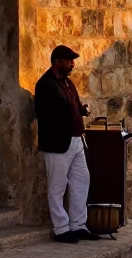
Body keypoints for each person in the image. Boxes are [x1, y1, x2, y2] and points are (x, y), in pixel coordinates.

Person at [35, 45, 99, 243]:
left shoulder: (68, 84)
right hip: (57, 143)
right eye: (69, 60)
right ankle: (61, 228)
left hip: (75, 140)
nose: (72, 64)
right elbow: (50, 111)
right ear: (57, 61)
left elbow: (74, 106)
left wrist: (82, 110)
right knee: (57, 186)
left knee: (82, 180)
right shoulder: (46, 84)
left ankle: (78, 224)